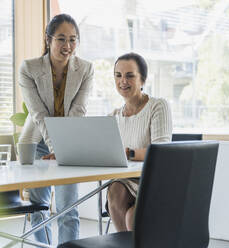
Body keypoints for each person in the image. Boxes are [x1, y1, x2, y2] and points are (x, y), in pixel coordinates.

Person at [18, 14, 94, 245]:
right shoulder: (29, 68)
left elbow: (78, 110)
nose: (68, 46)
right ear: (48, 39)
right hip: (38, 141)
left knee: (68, 208)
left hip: (69, 141)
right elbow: (38, 114)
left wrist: (64, 148)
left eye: (73, 39)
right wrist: (55, 147)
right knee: (38, 208)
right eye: (62, 39)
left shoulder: (86, 69)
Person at [106, 52, 172, 232]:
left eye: (130, 76)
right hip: (126, 183)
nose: (123, 81)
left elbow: (162, 151)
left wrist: (129, 153)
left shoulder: (158, 106)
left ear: (142, 80)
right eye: (118, 75)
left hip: (155, 180)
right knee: (116, 189)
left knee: (132, 216)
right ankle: (124, 244)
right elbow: (98, 149)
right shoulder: (112, 117)